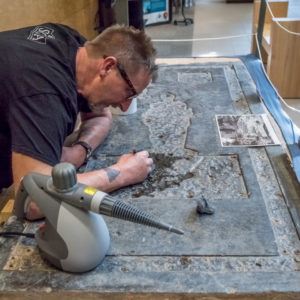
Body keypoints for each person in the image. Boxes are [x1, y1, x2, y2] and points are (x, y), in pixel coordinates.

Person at [0, 23, 157, 220]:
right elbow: (33, 200)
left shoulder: (75, 47)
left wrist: (80, 150)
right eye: (129, 93)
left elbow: (100, 116)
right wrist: (124, 173)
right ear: (108, 66)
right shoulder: (43, 93)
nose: (125, 107)